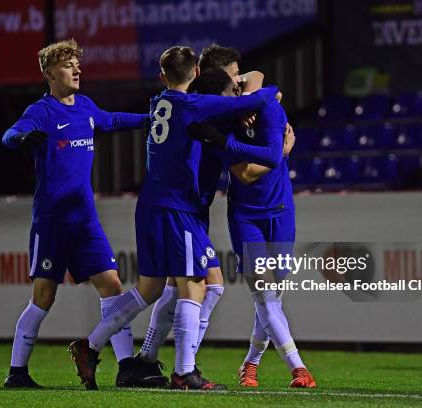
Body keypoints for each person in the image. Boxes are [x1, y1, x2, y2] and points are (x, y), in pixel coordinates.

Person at [67, 45, 281, 391]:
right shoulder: (194, 105)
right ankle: (184, 372)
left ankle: (91, 346)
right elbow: (252, 100)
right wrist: (272, 92)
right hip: (177, 208)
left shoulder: (158, 103)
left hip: (151, 204)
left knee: (150, 288)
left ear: (162, 76)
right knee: (196, 285)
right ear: (196, 73)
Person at [1, 39, 153, 389]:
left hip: (86, 221)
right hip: (53, 221)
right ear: (50, 73)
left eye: (77, 64)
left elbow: (112, 120)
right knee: (43, 297)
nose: (77, 70)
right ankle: (17, 373)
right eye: (69, 65)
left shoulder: (85, 106)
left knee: (113, 286)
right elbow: (10, 134)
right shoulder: (42, 111)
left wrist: (152, 118)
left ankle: (126, 366)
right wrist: (20, 140)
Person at [133, 43, 278, 382]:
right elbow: (244, 170)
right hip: (184, 207)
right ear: (209, 75)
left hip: (186, 207)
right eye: (234, 78)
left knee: (177, 286)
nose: (239, 84)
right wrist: (269, 108)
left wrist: (247, 95)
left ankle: (148, 357)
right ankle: (183, 367)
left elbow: (256, 76)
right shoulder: (207, 112)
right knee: (202, 285)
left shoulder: (193, 103)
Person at [187, 69, 316, 389]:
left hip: (281, 211)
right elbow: (245, 174)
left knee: (273, 297)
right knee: (265, 296)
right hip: (246, 217)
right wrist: (279, 153)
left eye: (237, 81)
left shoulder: (269, 107)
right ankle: (299, 369)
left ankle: (250, 363)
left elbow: (258, 76)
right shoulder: (215, 125)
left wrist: (274, 151)